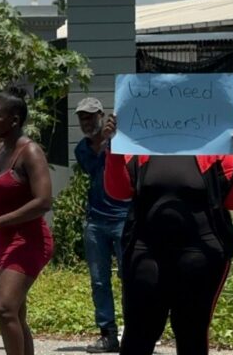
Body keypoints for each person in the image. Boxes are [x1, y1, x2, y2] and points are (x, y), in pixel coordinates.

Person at [102, 114, 233, 355]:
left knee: (191, 333)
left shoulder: (217, 150)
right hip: (146, 252)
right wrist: (113, 146)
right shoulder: (139, 147)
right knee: (138, 333)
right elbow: (118, 191)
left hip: (200, 256)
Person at [0, 88, 54, 355]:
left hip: (28, 241)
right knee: (15, 314)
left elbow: (43, 201)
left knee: (4, 308)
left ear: (14, 120)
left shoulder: (30, 152)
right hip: (3, 243)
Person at [72, 97, 130, 353]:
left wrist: (112, 142)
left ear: (102, 116)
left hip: (124, 218)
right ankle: (107, 333)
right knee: (98, 281)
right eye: (83, 118)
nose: (87, 122)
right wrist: (103, 146)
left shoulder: (122, 144)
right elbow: (95, 170)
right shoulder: (82, 150)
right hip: (96, 220)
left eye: (91, 116)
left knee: (130, 277)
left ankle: (135, 331)